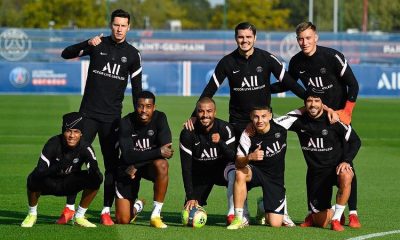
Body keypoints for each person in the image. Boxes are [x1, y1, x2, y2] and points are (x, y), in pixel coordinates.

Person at [184, 21, 305, 226]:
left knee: (273, 165)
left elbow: (290, 83)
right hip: (239, 125)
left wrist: (312, 100)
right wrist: (194, 115)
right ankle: (243, 213)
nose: (245, 40)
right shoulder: (227, 62)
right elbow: (210, 88)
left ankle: (277, 208)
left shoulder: (266, 58)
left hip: (262, 123)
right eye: (241, 37)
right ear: (236, 39)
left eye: (248, 37)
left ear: (255, 38)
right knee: (239, 166)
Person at [60, 9, 142, 225]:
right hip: (87, 115)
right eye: (116, 24)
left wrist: (137, 122)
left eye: (123, 25)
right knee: (75, 161)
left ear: (129, 27)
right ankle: (69, 208)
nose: (119, 29)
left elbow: (137, 91)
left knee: (111, 166)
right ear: (110, 25)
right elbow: (66, 53)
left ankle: (105, 210)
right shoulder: (98, 45)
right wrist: (86, 42)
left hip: (112, 119)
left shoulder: (133, 54)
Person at [288, 21, 361, 228]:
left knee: (346, 163)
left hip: (338, 117)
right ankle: (318, 210)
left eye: (308, 38)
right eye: (301, 39)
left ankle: (352, 212)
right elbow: (290, 84)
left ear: (316, 37)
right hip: (317, 115)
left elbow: (353, 84)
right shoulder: (296, 62)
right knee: (318, 161)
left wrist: (346, 112)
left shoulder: (332, 57)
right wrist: (264, 88)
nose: (304, 42)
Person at [274, 89, 361, 231]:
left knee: (347, 174)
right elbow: (276, 122)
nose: (312, 104)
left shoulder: (333, 120)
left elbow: (355, 141)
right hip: (317, 174)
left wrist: (346, 160)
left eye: (316, 101)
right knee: (319, 222)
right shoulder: (299, 121)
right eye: (309, 101)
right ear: (304, 103)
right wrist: (306, 109)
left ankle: (337, 219)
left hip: (336, 168)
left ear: (323, 104)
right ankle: (331, 210)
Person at [21, 112, 103, 228]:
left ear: (81, 134)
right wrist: (60, 165)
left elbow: (95, 170)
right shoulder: (53, 143)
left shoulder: (86, 147)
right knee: (33, 177)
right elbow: (40, 170)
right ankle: (32, 214)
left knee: (97, 178)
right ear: (63, 132)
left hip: (70, 184)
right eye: (68, 131)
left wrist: (93, 169)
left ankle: (79, 216)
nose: (72, 135)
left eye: (76, 132)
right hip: (51, 183)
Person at [115, 91, 173, 228]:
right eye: (141, 106)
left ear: (154, 107)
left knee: (162, 165)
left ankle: (155, 215)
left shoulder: (160, 118)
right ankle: (136, 207)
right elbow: (128, 155)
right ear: (135, 106)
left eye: (148, 106)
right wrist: (157, 151)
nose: (144, 111)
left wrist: (138, 164)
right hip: (127, 169)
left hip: (145, 167)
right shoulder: (126, 122)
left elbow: (167, 152)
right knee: (123, 219)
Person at [227, 106, 290, 230]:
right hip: (256, 172)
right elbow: (238, 162)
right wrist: (250, 157)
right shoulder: (247, 134)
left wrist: (328, 110)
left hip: (274, 178)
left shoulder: (281, 124)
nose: (260, 120)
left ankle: (262, 205)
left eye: (263, 116)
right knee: (239, 173)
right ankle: (239, 217)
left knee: (275, 224)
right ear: (251, 117)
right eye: (256, 116)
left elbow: (302, 110)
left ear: (270, 116)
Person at [179, 97, 240, 225]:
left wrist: (221, 143)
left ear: (215, 112)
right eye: (201, 111)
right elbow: (186, 167)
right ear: (196, 113)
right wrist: (190, 196)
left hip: (221, 171)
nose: (205, 115)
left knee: (235, 172)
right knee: (189, 213)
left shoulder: (225, 128)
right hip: (200, 174)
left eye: (209, 111)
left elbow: (233, 158)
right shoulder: (187, 133)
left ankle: (232, 213)